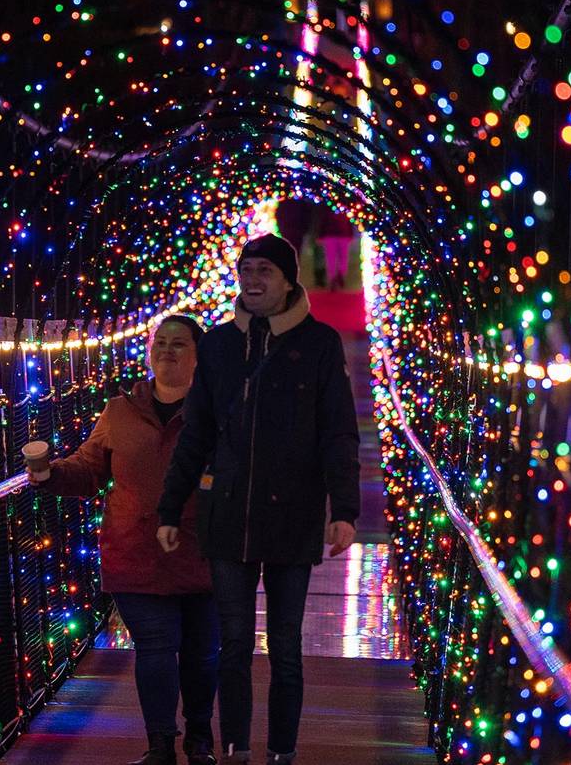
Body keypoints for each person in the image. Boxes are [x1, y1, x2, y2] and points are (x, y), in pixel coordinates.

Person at [156, 233, 361, 765]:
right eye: (246, 269)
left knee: (286, 651)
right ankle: (236, 750)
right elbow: (195, 433)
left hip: (293, 517)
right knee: (235, 648)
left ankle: (281, 753)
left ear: (288, 280)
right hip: (228, 516)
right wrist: (171, 509)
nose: (252, 279)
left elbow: (338, 431)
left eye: (264, 270)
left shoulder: (319, 343)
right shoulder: (221, 345)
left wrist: (344, 511)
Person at [30, 315, 219, 765]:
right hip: (136, 552)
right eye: (161, 342)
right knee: (155, 647)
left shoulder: (221, 410)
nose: (167, 350)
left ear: (200, 356)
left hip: (205, 554)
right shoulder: (119, 411)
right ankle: (160, 746)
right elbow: (89, 468)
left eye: (179, 344)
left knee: (200, 653)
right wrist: (49, 473)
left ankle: (199, 740)